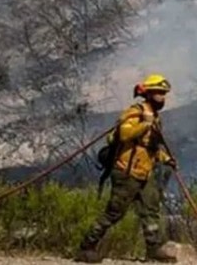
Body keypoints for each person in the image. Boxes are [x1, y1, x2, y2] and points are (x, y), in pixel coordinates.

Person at [75, 74, 178, 263]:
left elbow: (151, 148)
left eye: (164, 94)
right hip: (126, 173)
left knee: (151, 210)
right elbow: (124, 134)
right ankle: (86, 247)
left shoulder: (155, 118)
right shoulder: (135, 112)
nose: (163, 97)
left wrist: (166, 159)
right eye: (159, 93)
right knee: (114, 212)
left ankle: (153, 249)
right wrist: (145, 123)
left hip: (145, 173)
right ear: (149, 94)